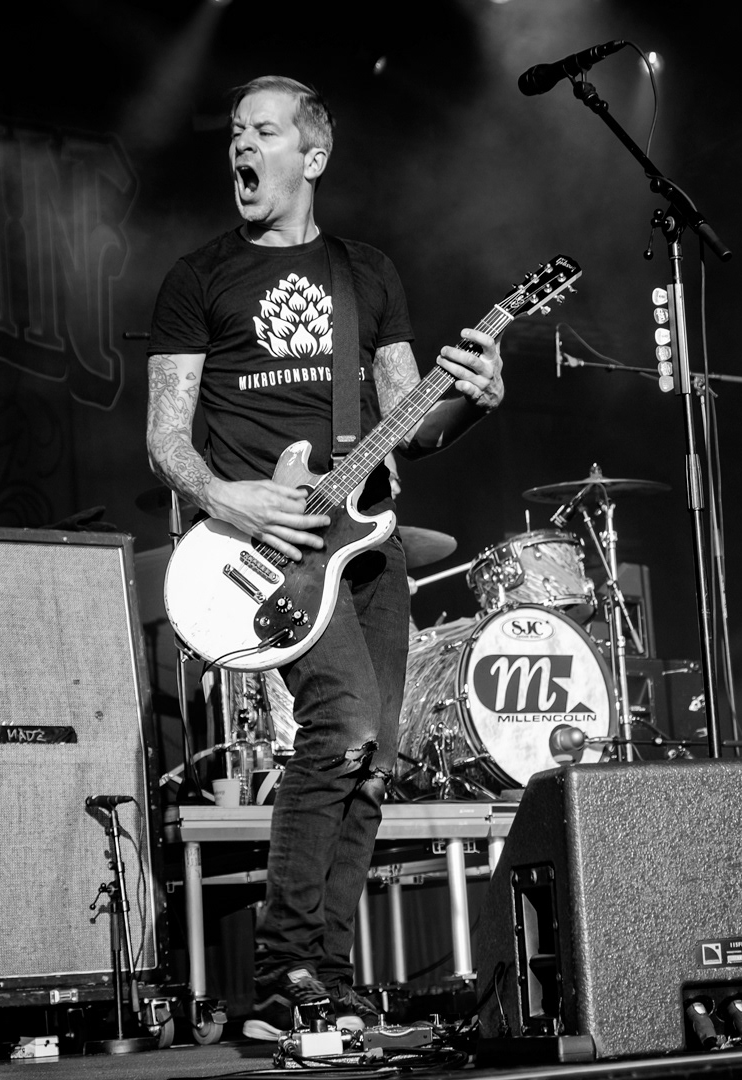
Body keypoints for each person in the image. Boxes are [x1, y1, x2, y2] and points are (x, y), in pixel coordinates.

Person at [145, 75, 504, 1038]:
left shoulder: (367, 274)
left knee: (376, 758)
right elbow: (165, 439)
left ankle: (322, 978)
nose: (239, 147)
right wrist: (231, 497)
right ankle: (283, 970)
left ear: (312, 155)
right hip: (264, 547)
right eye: (234, 132)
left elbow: (412, 426)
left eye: (261, 131)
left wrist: (471, 397)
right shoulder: (198, 278)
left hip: (366, 540)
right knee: (341, 723)